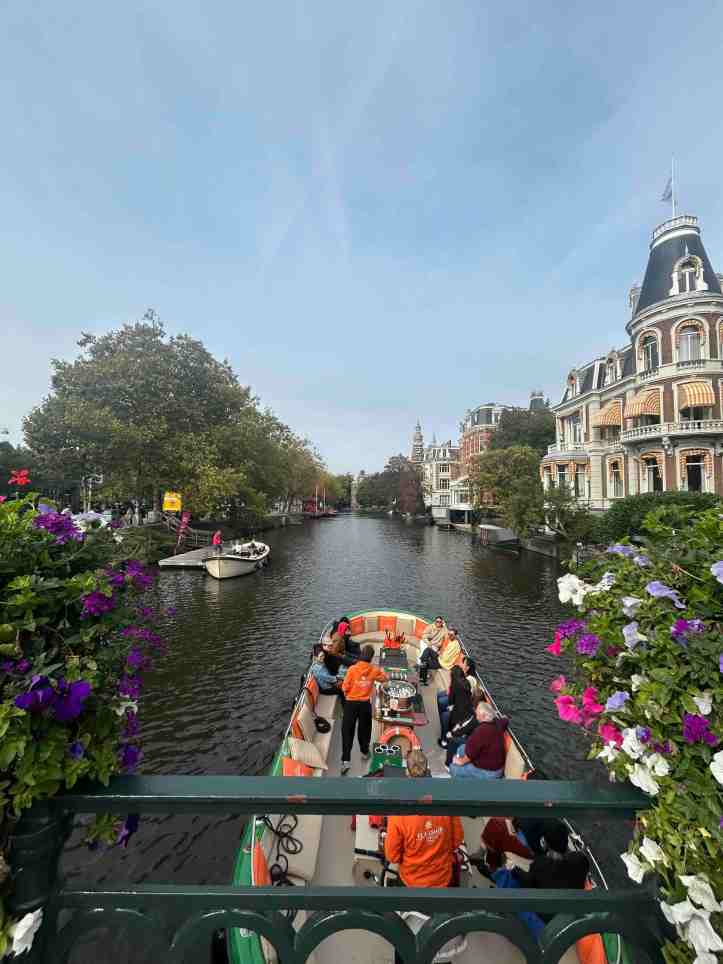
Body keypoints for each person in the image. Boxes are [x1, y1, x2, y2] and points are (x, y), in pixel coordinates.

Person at [384, 749, 465, 964]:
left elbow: (392, 855)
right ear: (428, 770)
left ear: (407, 773)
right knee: (440, 938)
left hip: (411, 883)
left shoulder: (400, 813)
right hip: (443, 881)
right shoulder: (444, 801)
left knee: (402, 941)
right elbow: (457, 840)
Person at [340, 645, 388, 774]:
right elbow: (384, 678)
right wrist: (379, 673)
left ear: (361, 655)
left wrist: (349, 693)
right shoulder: (373, 669)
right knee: (365, 730)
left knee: (347, 731)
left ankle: (346, 761)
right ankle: (365, 752)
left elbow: (344, 687)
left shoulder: (352, 669)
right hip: (365, 704)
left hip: (350, 704)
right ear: (371, 657)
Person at [448, 702, 507, 779]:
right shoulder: (497, 722)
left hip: (490, 772)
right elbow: (505, 721)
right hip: (496, 764)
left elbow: (470, 753)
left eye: (477, 714)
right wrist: (505, 718)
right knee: (461, 747)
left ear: (483, 716)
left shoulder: (480, 731)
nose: (476, 715)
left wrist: (460, 761)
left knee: (453, 768)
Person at [437, 666, 471, 746]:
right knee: (440, 698)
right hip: (465, 709)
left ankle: (444, 740)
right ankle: (446, 727)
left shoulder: (455, 685)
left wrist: (453, 707)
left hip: (460, 712)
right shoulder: (466, 683)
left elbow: (451, 701)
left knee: (444, 716)